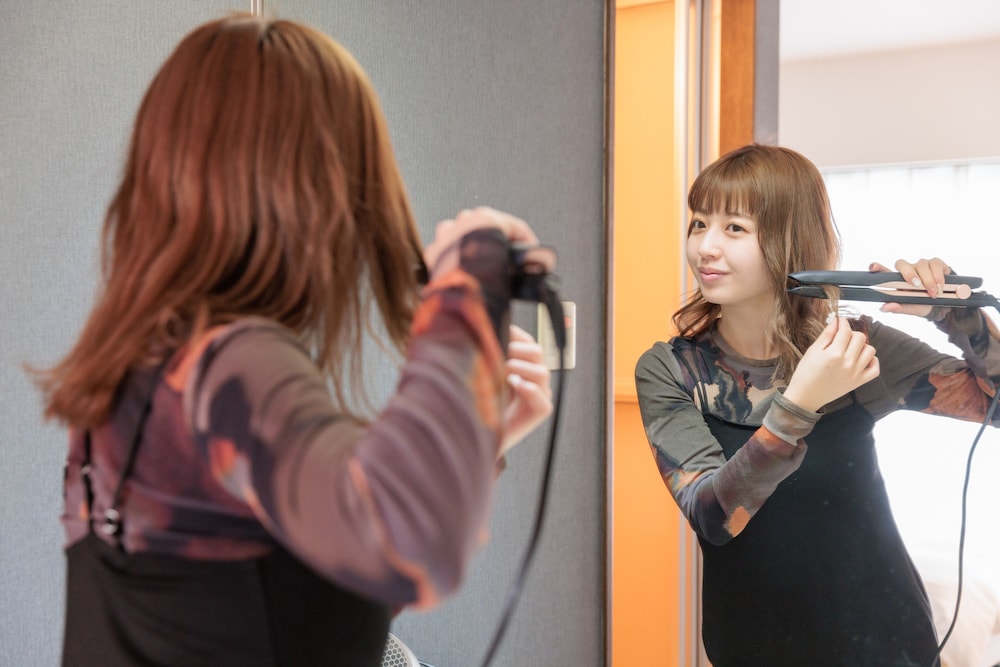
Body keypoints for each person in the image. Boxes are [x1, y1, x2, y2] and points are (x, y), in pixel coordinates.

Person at [31, 14, 555, 667]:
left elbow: (297, 607)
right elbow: (406, 551)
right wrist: (465, 291)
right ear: (308, 189)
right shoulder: (231, 366)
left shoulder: (137, 374)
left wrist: (478, 440)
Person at [634, 143, 1000, 667]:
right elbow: (715, 517)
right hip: (753, 648)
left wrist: (957, 318)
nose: (705, 247)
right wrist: (800, 403)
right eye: (698, 224)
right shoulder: (673, 371)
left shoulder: (854, 346)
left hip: (889, 643)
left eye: (734, 228)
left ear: (791, 237)